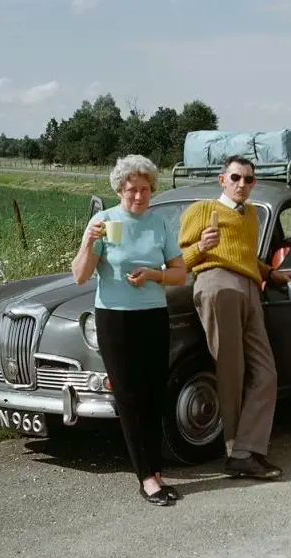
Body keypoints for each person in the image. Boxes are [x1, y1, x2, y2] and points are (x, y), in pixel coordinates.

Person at [72, 154, 187, 505]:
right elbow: (80, 276)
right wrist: (89, 242)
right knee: (129, 396)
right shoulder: (104, 221)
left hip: (152, 315)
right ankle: (146, 478)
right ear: (119, 190)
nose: (139, 196)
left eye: (145, 189)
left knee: (154, 394)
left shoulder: (158, 224)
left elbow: (181, 273)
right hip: (115, 318)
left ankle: (157, 470)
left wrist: (154, 275)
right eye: (131, 190)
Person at [178, 155, 291, 479]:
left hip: (249, 289)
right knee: (231, 371)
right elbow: (180, 261)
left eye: (248, 179)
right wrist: (201, 246)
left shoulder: (252, 214)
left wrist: (271, 274)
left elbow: (246, 258)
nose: (242, 184)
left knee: (266, 372)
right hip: (217, 284)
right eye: (236, 178)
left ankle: (246, 450)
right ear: (222, 180)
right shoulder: (202, 211)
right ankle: (237, 452)